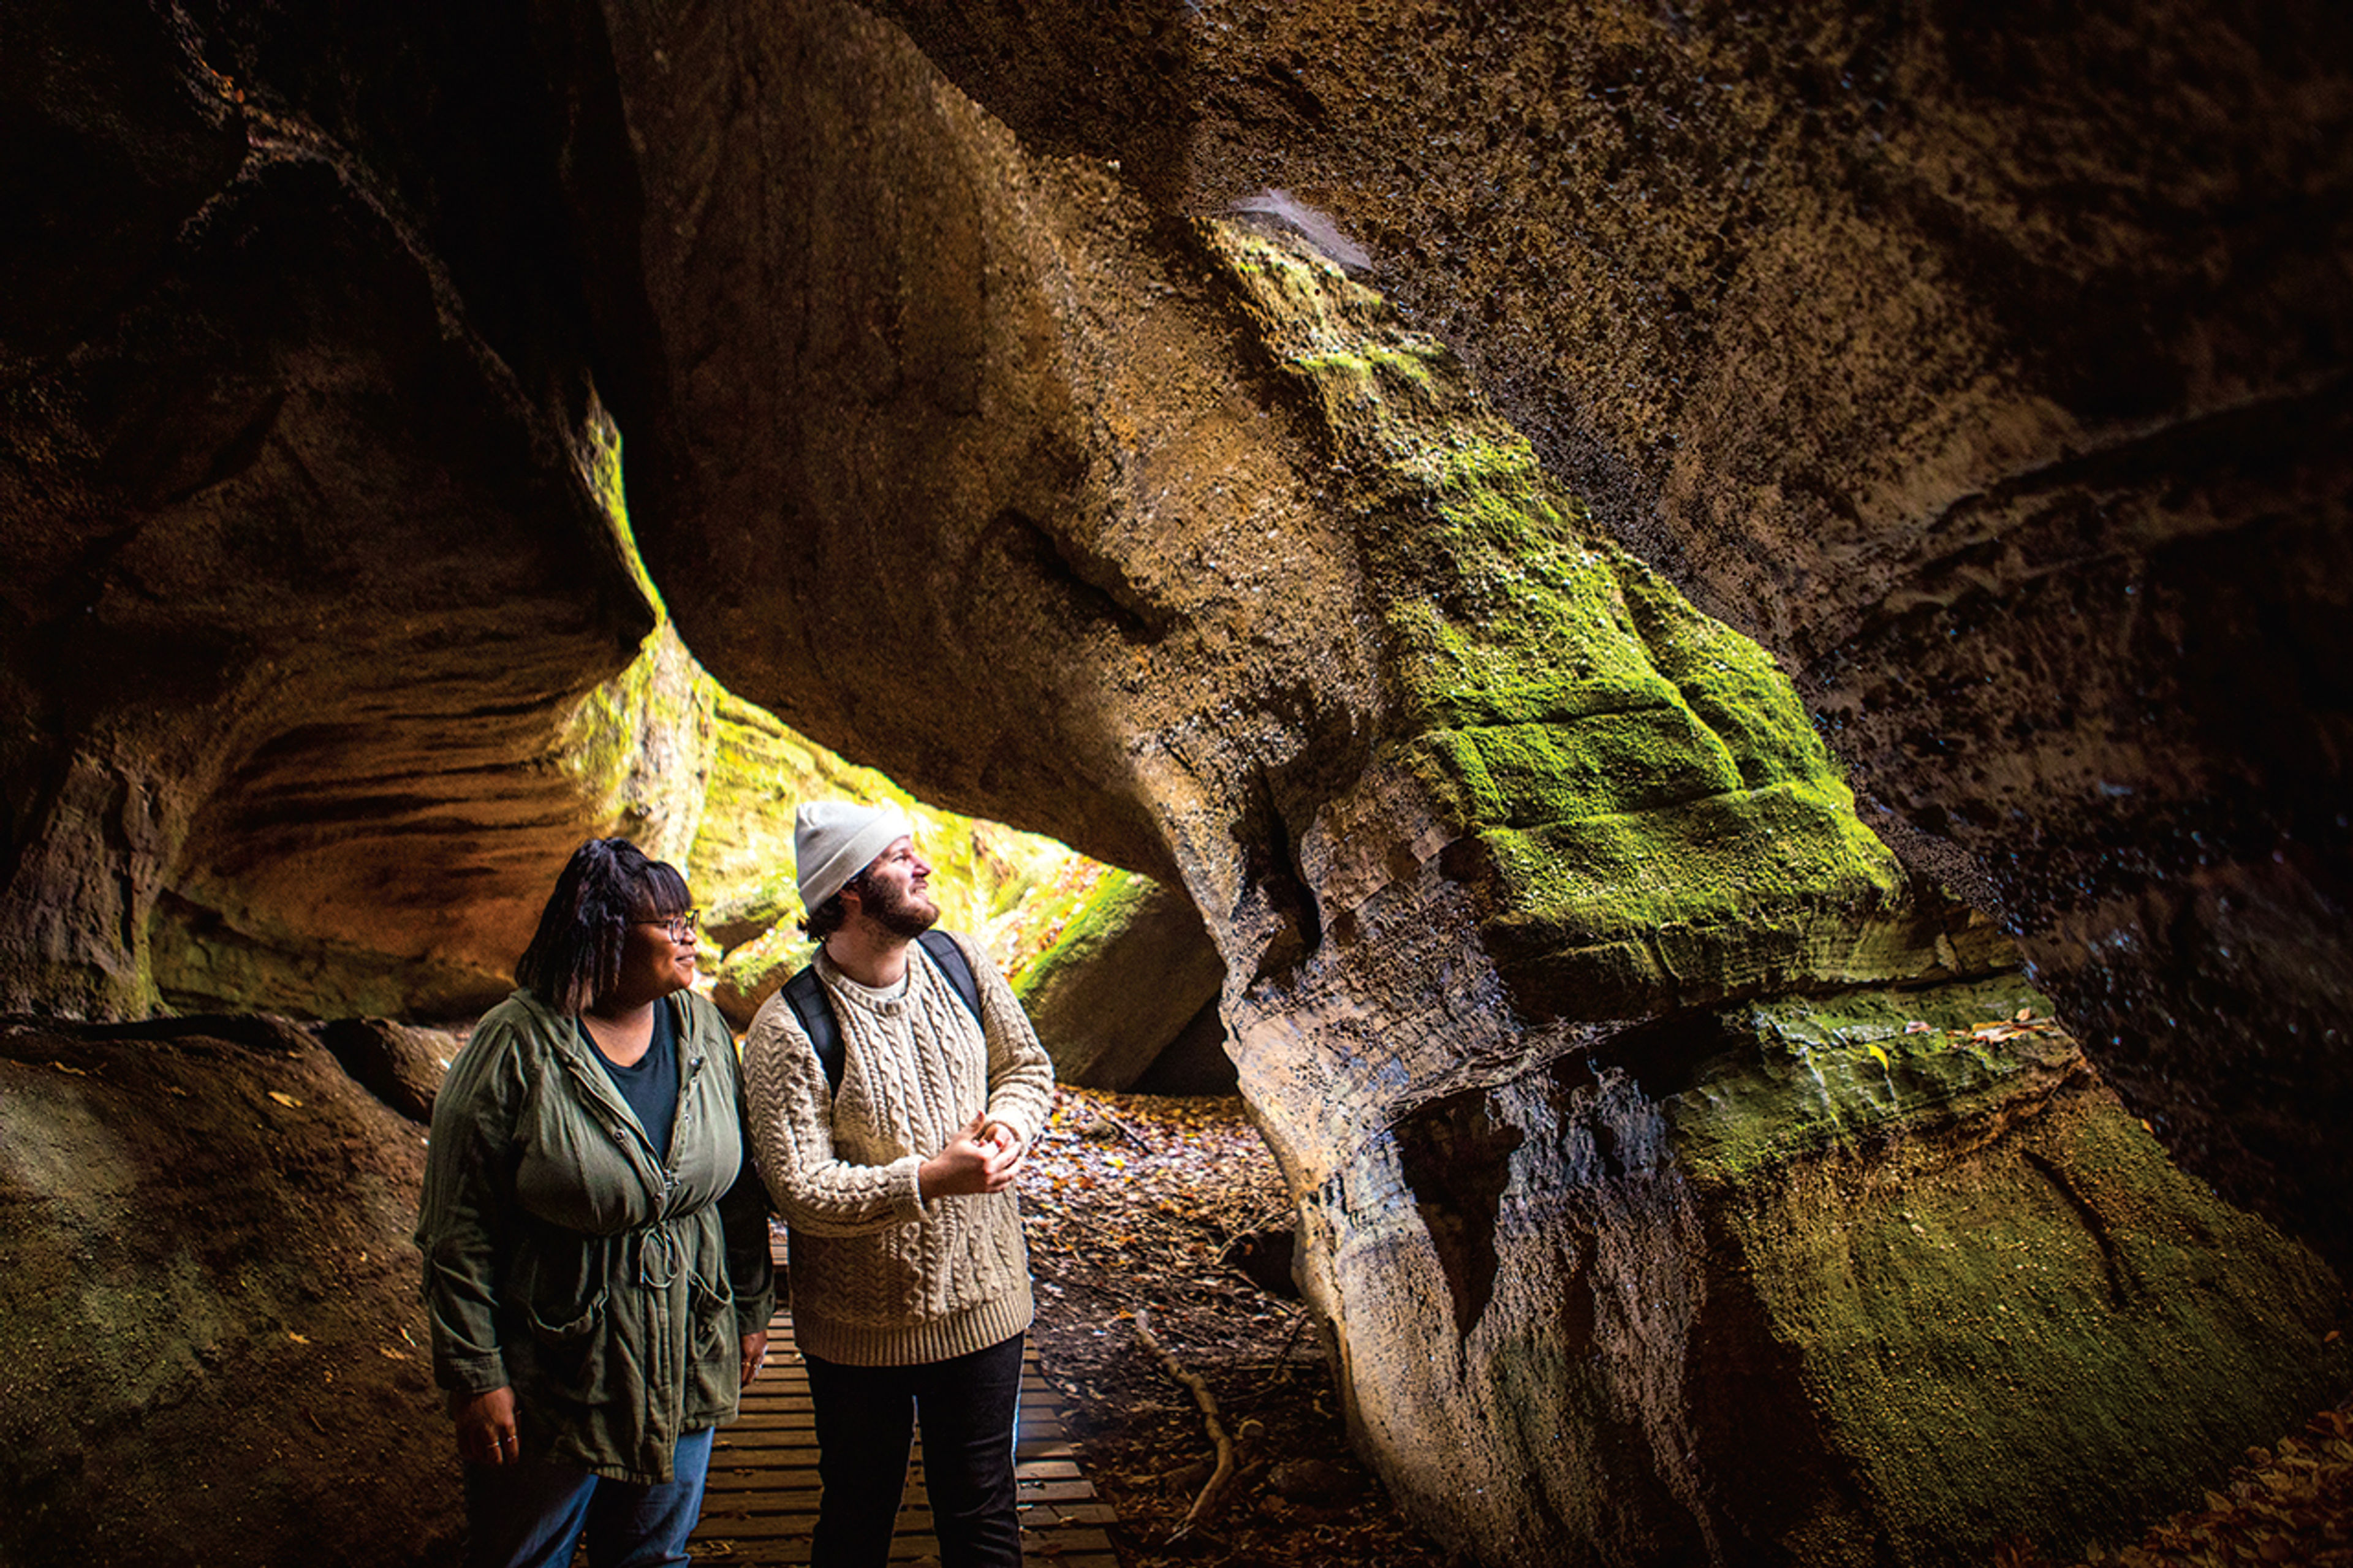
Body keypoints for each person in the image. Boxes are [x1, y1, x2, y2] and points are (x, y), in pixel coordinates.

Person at [416, 837, 776, 1568]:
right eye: (669, 923)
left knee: (652, 1557)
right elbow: (459, 1230)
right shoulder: (515, 1046)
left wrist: (749, 1306)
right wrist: (476, 1375)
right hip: (559, 1374)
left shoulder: (702, 1028)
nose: (690, 936)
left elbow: (737, 1195)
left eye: (690, 918)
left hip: (685, 1352)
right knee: (523, 1557)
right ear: (604, 934)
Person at [742, 801, 1056, 1568]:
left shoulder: (959, 963)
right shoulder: (790, 1029)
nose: (922, 867)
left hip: (986, 1306)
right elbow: (798, 1189)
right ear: (847, 891)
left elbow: (1026, 1069)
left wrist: (1009, 1129)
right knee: (857, 1513)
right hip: (859, 1328)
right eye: (899, 858)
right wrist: (930, 1179)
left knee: (983, 1510)